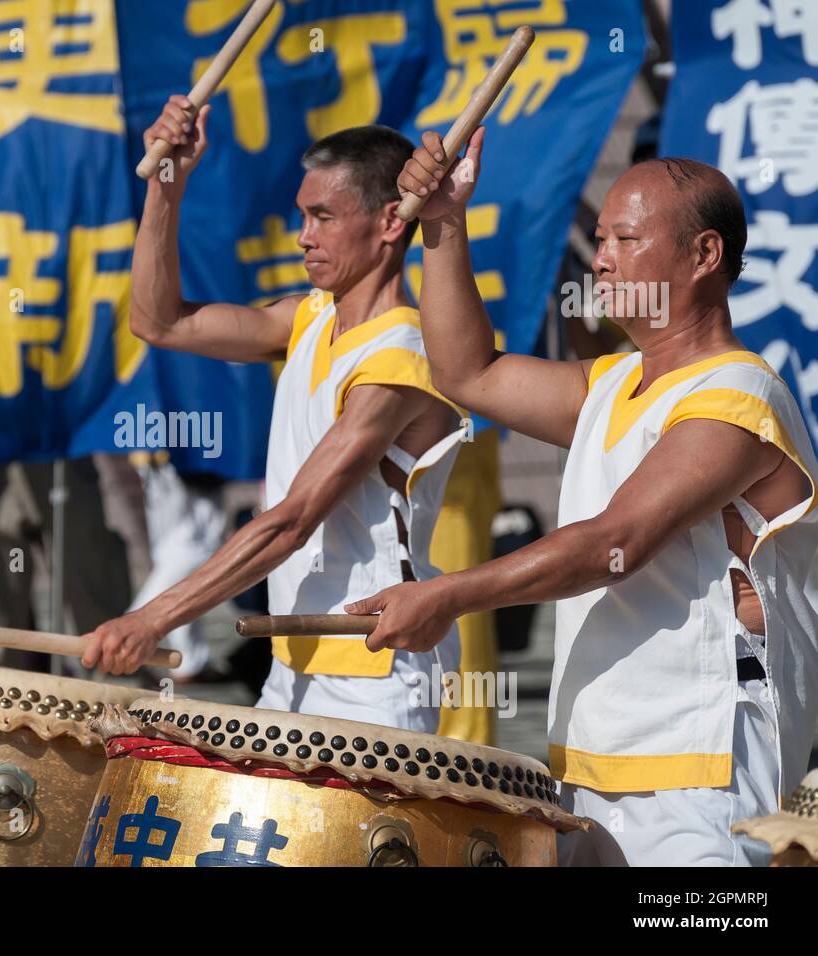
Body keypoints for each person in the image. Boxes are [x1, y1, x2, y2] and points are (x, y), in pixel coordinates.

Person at [349, 126, 818, 865]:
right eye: (600, 238)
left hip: (701, 773)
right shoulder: (610, 385)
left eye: (626, 239)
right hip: (592, 766)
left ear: (703, 256)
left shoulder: (738, 395)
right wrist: (443, 222)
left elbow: (613, 545)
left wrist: (446, 597)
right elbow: (466, 372)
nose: (601, 259)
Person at [81, 95, 463, 730]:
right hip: (296, 660)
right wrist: (167, 183)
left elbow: (292, 521)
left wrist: (155, 616)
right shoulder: (309, 315)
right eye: (302, 216)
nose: (302, 235)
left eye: (322, 217)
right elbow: (159, 321)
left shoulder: (401, 354)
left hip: (376, 669)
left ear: (392, 221)